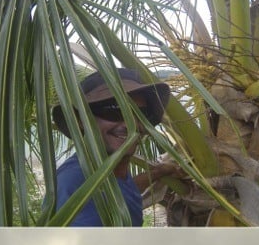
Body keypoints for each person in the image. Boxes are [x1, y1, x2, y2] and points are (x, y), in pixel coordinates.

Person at [51, 68, 179, 226]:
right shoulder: (77, 184)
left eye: (139, 113)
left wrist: (161, 171)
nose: (129, 124)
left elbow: (123, 189)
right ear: (81, 120)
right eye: (114, 111)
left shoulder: (108, 170)